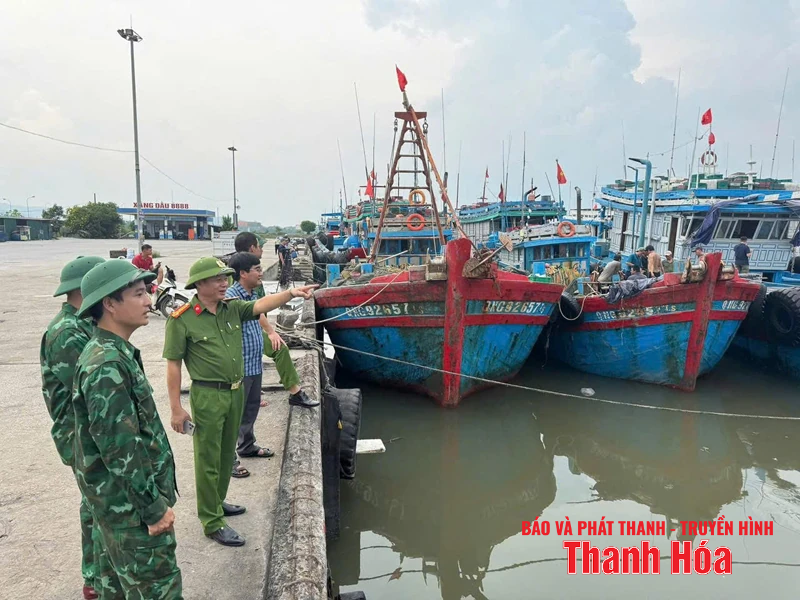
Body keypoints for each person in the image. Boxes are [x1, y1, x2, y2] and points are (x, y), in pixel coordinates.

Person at [163, 257, 317, 547]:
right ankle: (211, 521)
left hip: (235, 392)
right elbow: (173, 366)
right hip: (208, 395)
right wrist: (176, 408)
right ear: (200, 284)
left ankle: (217, 503)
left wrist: (291, 294)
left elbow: (261, 306)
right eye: (218, 279)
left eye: (226, 278)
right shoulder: (182, 319)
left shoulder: (232, 309)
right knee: (208, 459)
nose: (225, 283)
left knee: (224, 456)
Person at [72, 260, 181, 598]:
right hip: (132, 513)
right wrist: (153, 508)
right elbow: (121, 449)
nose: (150, 301)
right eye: (139, 294)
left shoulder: (111, 353)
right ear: (109, 304)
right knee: (157, 589)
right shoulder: (106, 365)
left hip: (118, 506)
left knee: (117, 589)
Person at [40, 255, 105, 600]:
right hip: (81, 435)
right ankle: (95, 579)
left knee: (100, 504)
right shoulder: (67, 333)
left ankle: (102, 572)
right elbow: (91, 392)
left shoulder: (83, 323)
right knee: (97, 507)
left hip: (91, 433)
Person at [226, 252, 319, 479]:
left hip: (253, 361)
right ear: (243, 273)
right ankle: (227, 461)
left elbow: (260, 309)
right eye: (256, 269)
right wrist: (290, 293)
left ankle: (247, 445)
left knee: (250, 408)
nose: (260, 272)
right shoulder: (231, 298)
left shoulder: (250, 293)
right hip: (240, 366)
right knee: (233, 416)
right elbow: (258, 308)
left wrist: (271, 330)